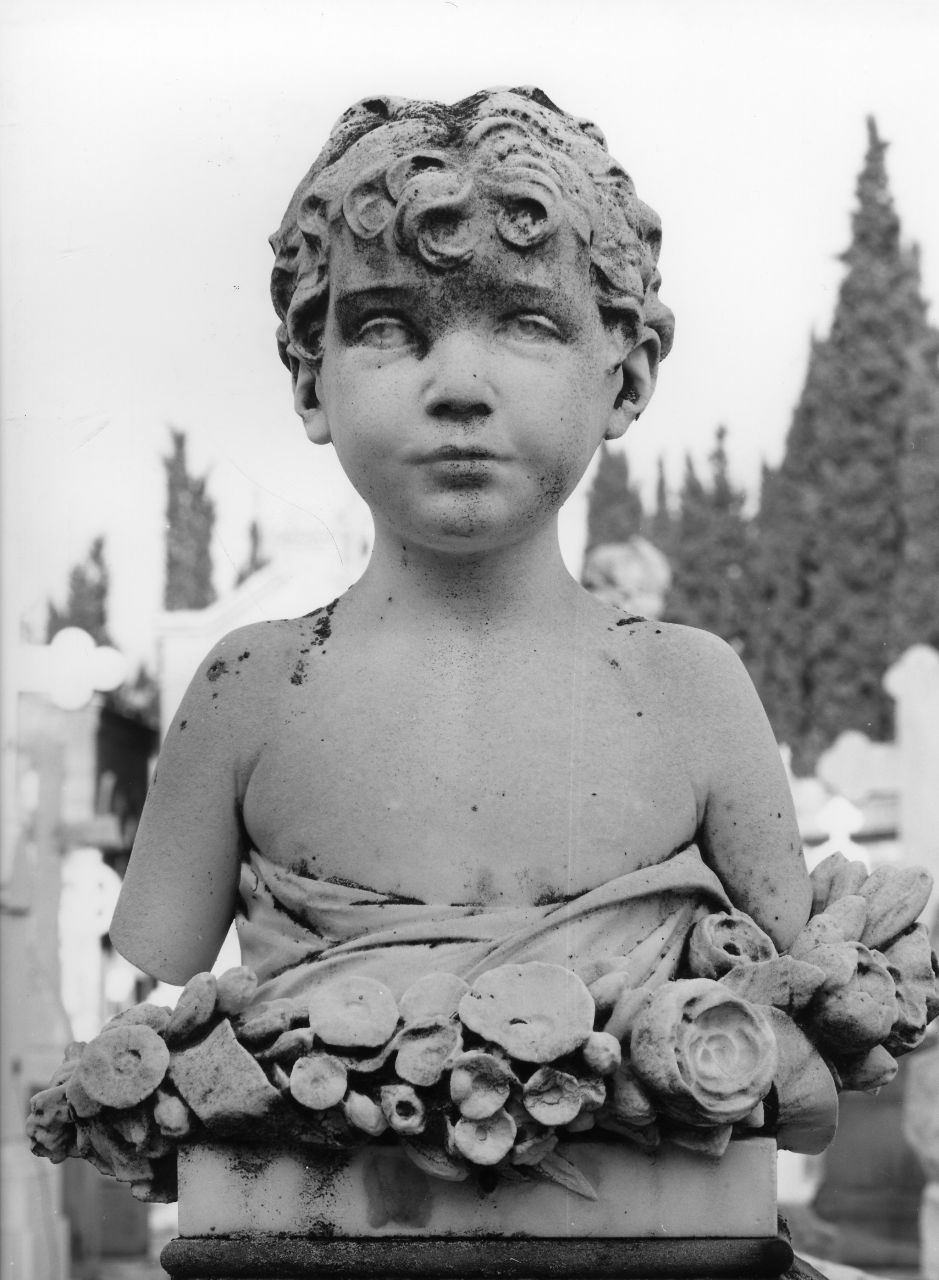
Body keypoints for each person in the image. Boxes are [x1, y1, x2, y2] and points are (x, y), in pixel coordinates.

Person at [110, 87, 810, 1005]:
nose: (460, 386)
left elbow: (799, 1013)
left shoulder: (690, 692)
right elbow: (154, 1011)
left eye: (525, 322)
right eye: (388, 327)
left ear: (627, 376)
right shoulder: (249, 693)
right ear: (310, 378)